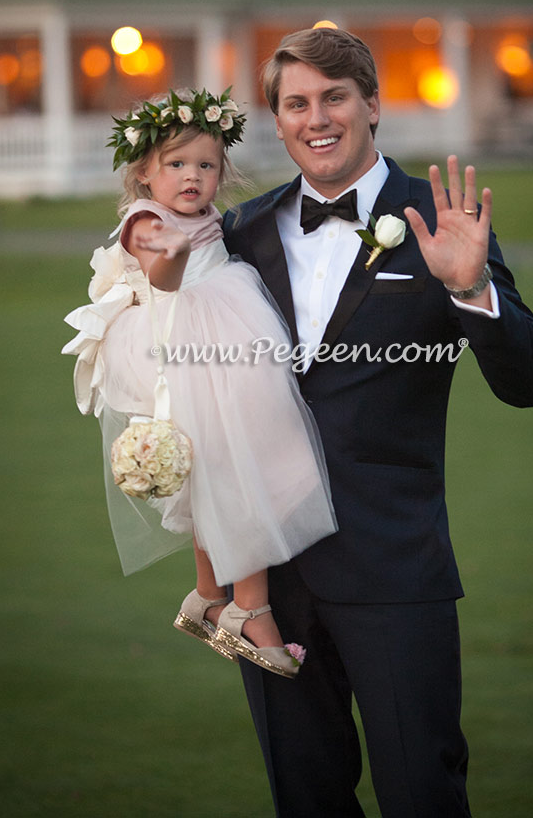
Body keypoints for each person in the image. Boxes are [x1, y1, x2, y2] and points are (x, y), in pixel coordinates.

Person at [223, 27, 533, 817]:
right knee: (305, 798)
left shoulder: (440, 220)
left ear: (372, 103)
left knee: (423, 794)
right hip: (268, 581)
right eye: (296, 102)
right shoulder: (241, 233)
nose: (318, 117)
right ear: (278, 119)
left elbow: (531, 379)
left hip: (396, 572)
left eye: (335, 96)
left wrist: (474, 291)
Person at [62, 87, 337, 679]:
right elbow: (159, 270)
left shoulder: (207, 216)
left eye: (206, 166)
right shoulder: (147, 219)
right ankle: (249, 608)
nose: (193, 177)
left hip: (220, 338)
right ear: (144, 173)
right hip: (181, 340)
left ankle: (207, 592)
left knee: (211, 464)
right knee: (240, 465)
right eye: (177, 164)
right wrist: (172, 250)